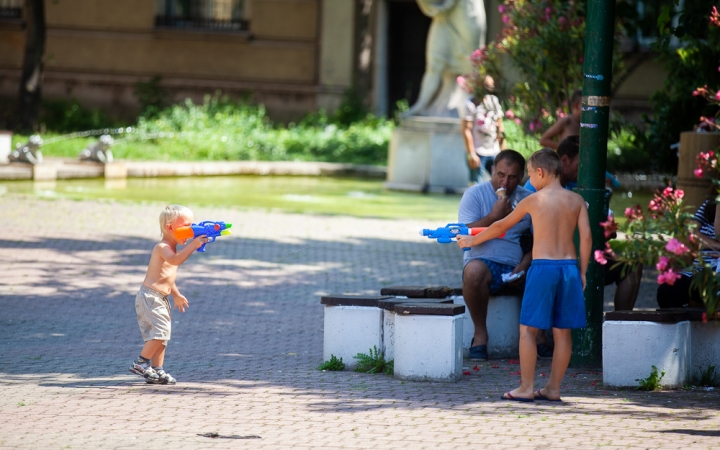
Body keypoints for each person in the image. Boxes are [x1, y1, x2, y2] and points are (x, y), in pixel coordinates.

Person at [457, 148, 591, 402]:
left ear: (540, 172)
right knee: (563, 332)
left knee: (527, 330)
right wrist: (582, 271)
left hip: (543, 268)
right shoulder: (576, 200)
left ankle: (526, 387)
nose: (529, 180)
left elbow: (499, 226)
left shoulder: (533, 200)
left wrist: (470, 240)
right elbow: (585, 237)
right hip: (569, 269)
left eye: (529, 174)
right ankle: (553, 388)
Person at [527, 135, 643, 311]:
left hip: (584, 256)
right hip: (554, 259)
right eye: (579, 165)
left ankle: (620, 324)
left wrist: (607, 228)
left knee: (632, 265)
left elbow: (599, 222)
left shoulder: (579, 186)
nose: (584, 170)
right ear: (564, 160)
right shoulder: (537, 186)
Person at [458, 149, 532, 361]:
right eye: (500, 174)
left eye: (512, 177)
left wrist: (525, 264)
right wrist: (493, 217)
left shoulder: (529, 199)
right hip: (484, 263)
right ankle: (480, 335)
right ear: (492, 170)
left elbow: (540, 241)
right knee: (473, 271)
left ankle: (540, 338)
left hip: (518, 265)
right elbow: (462, 235)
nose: (505, 182)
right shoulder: (475, 194)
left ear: (522, 177)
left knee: (546, 270)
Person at [129, 205, 208, 385]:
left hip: (161, 298)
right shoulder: (162, 247)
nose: (191, 231)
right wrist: (194, 245)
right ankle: (141, 363)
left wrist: (177, 295)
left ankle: (157, 370)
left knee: (163, 337)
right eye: (187, 227)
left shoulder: (171, 248)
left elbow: (167, 277)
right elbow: (175, 260)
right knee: (159, 333)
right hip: (150, 297)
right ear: (170, 227)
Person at [657, 198, 720, 308]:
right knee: (666, 292)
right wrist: (715, 246)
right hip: (697, 268)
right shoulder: (709, 203)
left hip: (714, 273)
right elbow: (690, 232)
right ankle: (683, 323)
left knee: (701, 287)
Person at [461, 75, 506, 184]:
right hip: (478, 152)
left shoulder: (494, 101)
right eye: (487, 86)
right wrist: (471, 154)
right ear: (478, 86)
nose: (489, 89)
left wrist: (504, 153)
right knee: (475, 185)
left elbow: (500, 126)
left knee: (502, 183)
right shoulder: (470, 104)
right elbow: (466, 130)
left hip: (494, 151)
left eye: (491, 86)